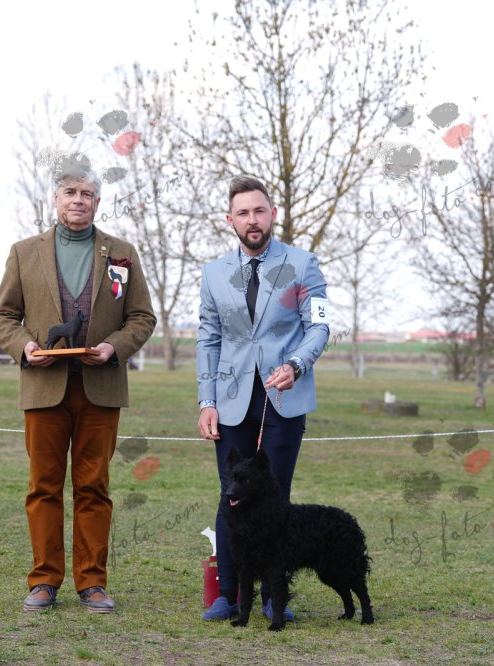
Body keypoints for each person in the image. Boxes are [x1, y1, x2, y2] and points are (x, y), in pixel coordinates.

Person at [0, 161, 156, 613]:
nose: (78, 200)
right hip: (44, 389)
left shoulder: (122, 253)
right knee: (43, 487)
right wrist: (25, 347)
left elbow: (142, 317)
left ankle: (92, 583)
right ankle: (44, 581)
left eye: (86, 193)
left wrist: (114, 347)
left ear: (98, 202)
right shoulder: (24, 252)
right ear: (56, 198)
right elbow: (3, 316)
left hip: (101, 389)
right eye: (70, 192)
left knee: (94, 487)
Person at [196, 175, 330, 621]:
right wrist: (206, 401)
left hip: (285, 400)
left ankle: (274, 597)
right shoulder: (213, 273)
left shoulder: (304, 264)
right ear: (230, 219)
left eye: (259, 211)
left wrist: (297, 365)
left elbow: (319, 327)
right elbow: (208, 339)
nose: (252, 220)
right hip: (229, 402)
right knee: (230, 495)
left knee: (275, 498)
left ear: (272, 214)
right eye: (243, 213)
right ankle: (228, 594)